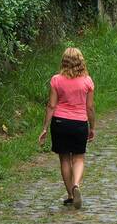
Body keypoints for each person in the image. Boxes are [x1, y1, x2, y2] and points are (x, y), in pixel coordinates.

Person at [38, 46, 95, 208]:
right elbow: (89, 108)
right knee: (78, 157)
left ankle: (70, 194)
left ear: (63, 62)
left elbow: (51, 105)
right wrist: (92, 127)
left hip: (60, 123)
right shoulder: (87, 81)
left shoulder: (56, 80)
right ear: (81, 62)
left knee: (64, 158)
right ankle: (76, 184)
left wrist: (44, 128)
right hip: (79, 124)